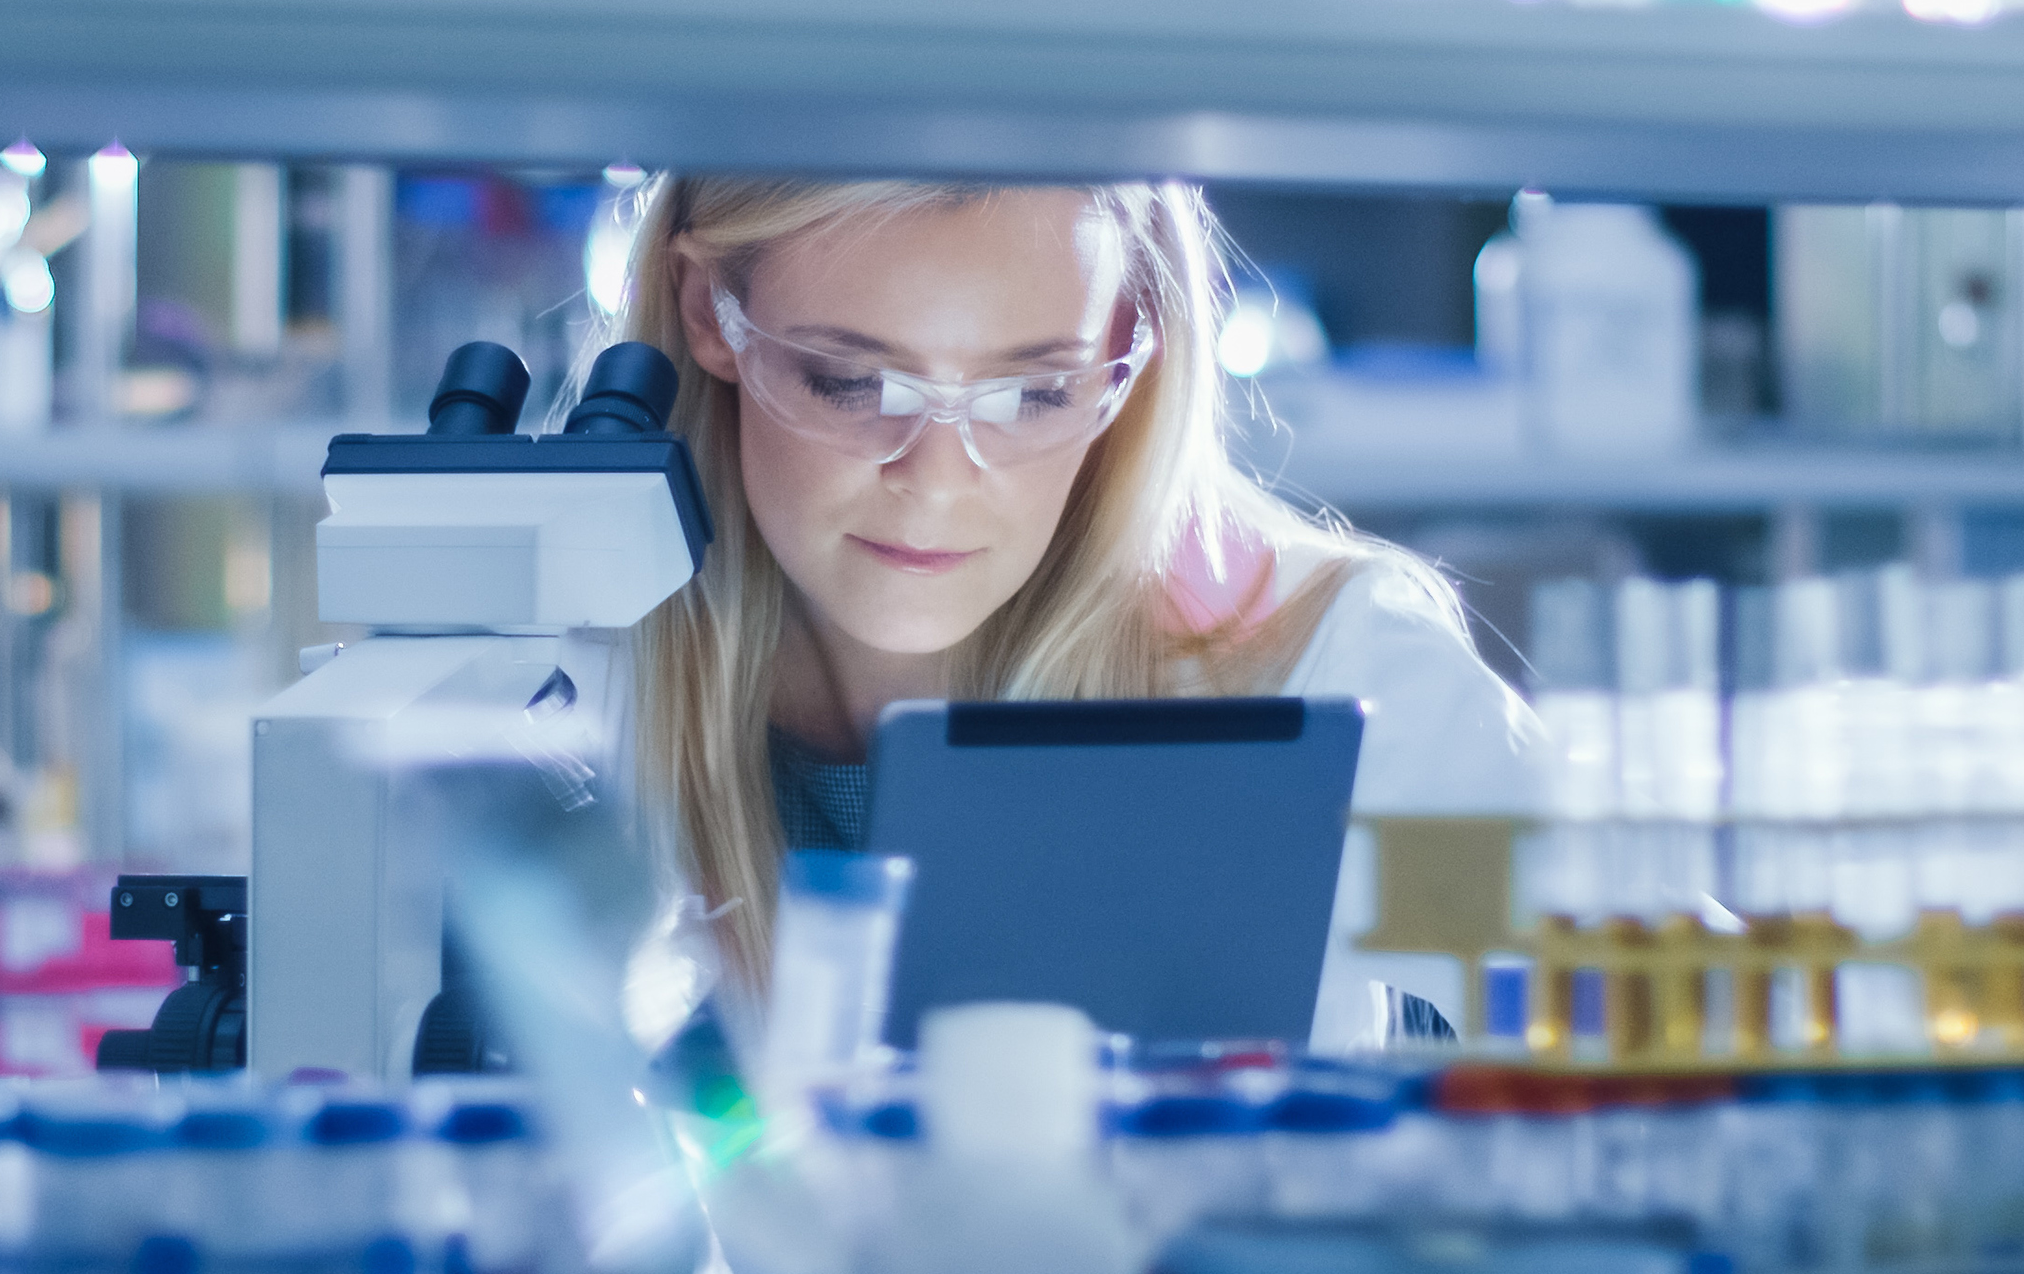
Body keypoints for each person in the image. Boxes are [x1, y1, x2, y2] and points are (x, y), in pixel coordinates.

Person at [415, 176, 1544, 1070]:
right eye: (855, 382)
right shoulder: (560, 683)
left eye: (1031, 393)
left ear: (1131, 349)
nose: (938, 482)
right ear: (712, 311)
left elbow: (1635, 1050)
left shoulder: (1327, 676)